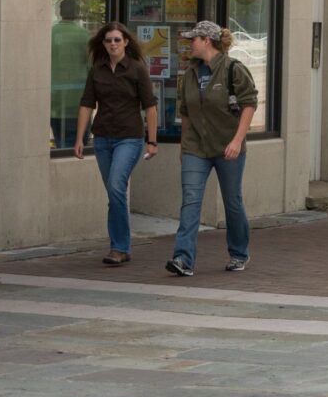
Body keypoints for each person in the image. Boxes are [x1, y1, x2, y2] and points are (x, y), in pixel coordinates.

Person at [168, 19, 259, 277]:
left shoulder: (233, 69)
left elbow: (249, 104)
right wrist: (184, 147)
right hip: (196, 148)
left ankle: (239, 252)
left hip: (228, 146)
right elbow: (185, 112)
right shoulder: (190, 73)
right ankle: (183, 259)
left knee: (232, 202)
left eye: (193, 40)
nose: (189, 45)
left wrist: (237, 140)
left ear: (207, 41)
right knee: (190, 200)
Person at [72, 21, 158, 265]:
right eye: (108, 40)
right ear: (103, 44)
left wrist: (152, 141)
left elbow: (150, 107)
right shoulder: (97, 70)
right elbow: (87, 103)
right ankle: (123, 245)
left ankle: (118, 247)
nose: (113, 44)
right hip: (102, 139)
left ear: (126, 42)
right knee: (113, 192)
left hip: (129, 138)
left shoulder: (137, 69)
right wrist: (80, 138)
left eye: (117, 40)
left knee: (117, 187)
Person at [50, 0, 91, 149]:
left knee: (61, 142)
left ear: (59, 12)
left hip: (54, 101)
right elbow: (92, 67)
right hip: (79, 100)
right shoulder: (85, 35)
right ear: (78, 13)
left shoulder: (49, 34)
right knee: (78, 146)